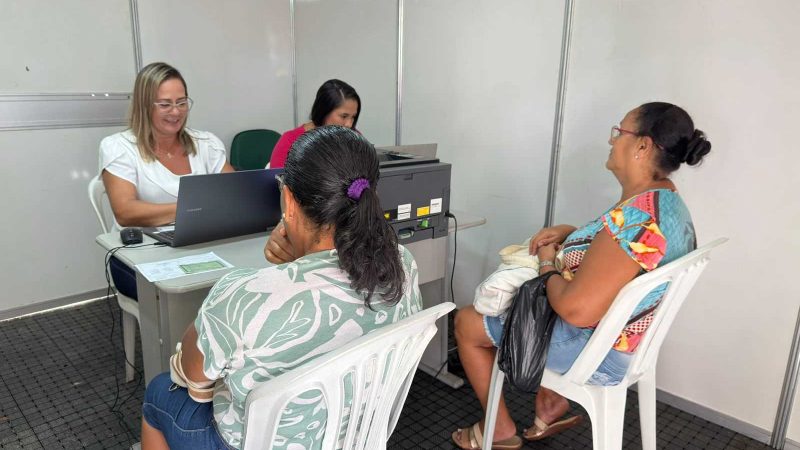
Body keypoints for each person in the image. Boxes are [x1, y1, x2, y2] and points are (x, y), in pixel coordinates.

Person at [140, 126, 422, 450]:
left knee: (159, 392)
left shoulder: (242, 295)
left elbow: (193, 376)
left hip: (252, 443)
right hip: (356, 432)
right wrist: (295, 264)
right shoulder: (401, 263)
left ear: (288, 198)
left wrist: (284, 271)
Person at [452, 102, 712, 449]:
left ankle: (498, 431)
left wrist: (547, 264)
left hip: (598, 350)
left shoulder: (635, 220)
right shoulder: (664, 201)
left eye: (619, 133)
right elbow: (623, 256)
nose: (611, 141)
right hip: (629, 341)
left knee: (467, 321)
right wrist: (575, 234)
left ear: (643, 146)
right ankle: (550, 403)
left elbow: (577, 311)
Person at [98, 62, 234, 298]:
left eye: (182, 102)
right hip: (139, 255)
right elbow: (126, 211)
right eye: (165, 104)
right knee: (190, 294)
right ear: (144, 106)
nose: (176, 112)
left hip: (201, 245)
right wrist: (196, 209)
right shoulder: (118, 148)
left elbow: (234, 193)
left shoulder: (206, 143)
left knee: (242, 280)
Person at [268, 79, 361, 169]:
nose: (349, 124)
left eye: (353, 117)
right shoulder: (290, 141)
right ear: (324, 111)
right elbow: (278, 182)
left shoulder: (355, 137)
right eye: (344, 116)